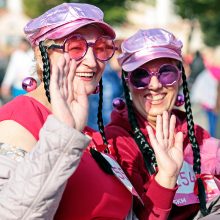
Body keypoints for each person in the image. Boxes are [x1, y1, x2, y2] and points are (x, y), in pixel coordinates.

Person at [0, 3, 136, 219]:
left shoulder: (87, 129)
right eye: (75, 47)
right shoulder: (16, 123)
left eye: (101, 48)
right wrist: (62, 136)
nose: (92, 62)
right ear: (41, 54)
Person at [104, 28, 220, 219]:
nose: (155, 85)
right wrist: (166, 178)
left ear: (180, 77)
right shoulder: (116, 142)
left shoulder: (197, 135)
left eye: (166, 73)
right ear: (127, 83)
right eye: (140, 75)